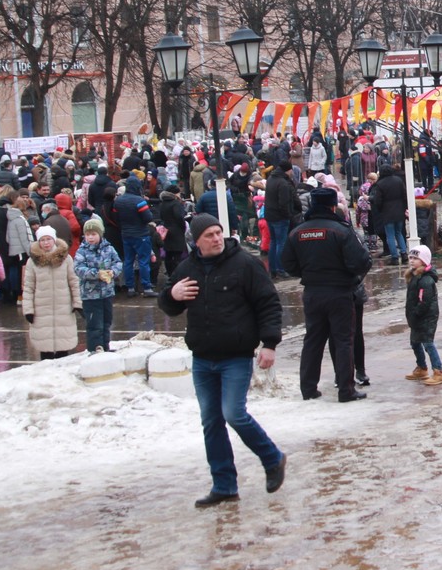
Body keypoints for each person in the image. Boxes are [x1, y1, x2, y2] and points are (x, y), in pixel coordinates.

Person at [159, 214, 286, 508]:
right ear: (197, 241)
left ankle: (272, 458)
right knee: (211, 422)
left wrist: (269, 344)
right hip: (203, 358)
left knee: (233, 414)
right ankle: (224, 485)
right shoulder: (187, 268)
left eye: (218, 233)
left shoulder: (244, 264)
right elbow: (169, 304)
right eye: (209, 235)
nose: (216, 238)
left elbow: (268, 303)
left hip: (235, 356)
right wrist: (172, 295)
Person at [283, 187, 373, 402]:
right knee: (343, 341)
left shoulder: (298, 232)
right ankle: (346, 389)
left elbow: (287, 263)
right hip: (339, 292)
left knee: (313, 340)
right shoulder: (340, 230)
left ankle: (308, 388)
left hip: (312, 292)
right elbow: (361, 261)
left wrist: (308, 273)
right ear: (333, 206)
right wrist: (348, 275)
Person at [23, 225, 81, 360]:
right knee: (45, 348)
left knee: (63, 347)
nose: (46, 243)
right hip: (42, 309)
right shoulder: (32, 262)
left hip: (63, 307)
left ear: (54, 240)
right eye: (42, 240)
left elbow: (74, 282)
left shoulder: (66, 259)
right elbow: (28, 287)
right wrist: (28, 310)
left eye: (48, 239)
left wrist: (78, 303)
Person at [72, 218, 123, 354]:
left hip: (107, 292)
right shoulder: (82, 251)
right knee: (95, 324)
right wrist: (96, 274)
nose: (90, 237)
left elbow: (118, 262)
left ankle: (105, 346)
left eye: (93, 234)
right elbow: (78, 269)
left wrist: (113, 272)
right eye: (88, 234)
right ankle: (95, 348)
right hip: (90, 294)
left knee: (106, 321)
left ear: (100, 234)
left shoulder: (109, 248)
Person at [405, 244, 442, 385]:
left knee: (428, 343)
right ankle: (422, 367)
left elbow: (424, 301)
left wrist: (416, 313)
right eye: (410, 257)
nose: (411, 261)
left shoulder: (426, 280)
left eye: (415, 258)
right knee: (415, 342)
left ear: (424, 261)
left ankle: (438, 371)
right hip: (416, 317)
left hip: (426, 317)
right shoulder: (414, 276)